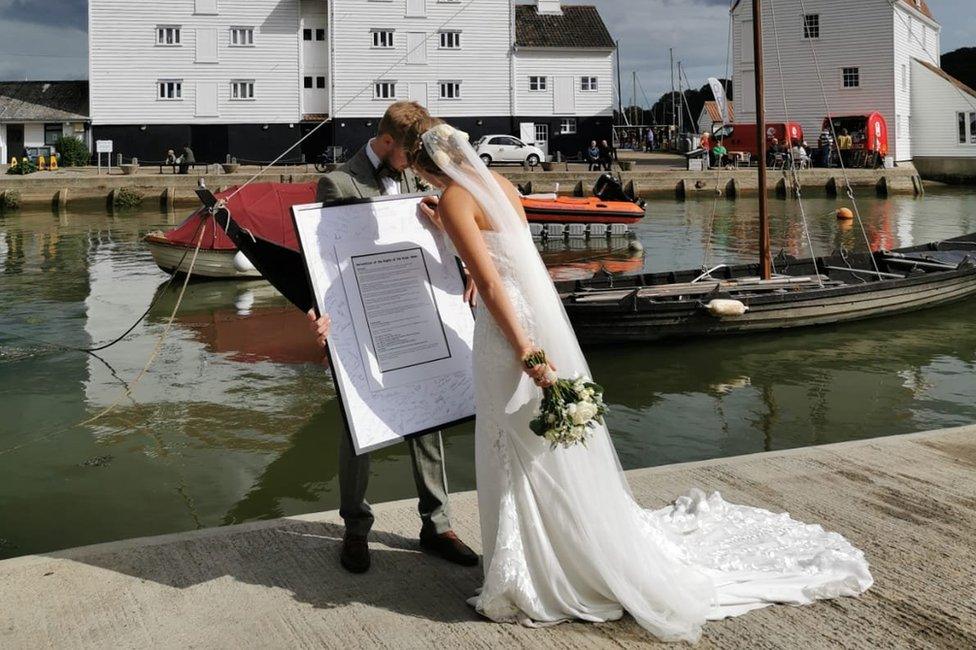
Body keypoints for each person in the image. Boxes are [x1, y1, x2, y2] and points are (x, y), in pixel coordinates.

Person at [402, 115, 873, 643]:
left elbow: (489, 281)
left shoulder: (452, 200)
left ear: (427, 167)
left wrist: (525, 350)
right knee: (535, 443)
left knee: (512, 441)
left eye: (422, 175)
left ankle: (537, 570)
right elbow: (506, 252)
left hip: (507, 333)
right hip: (532, 315)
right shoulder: (502, 187)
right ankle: (551, 551)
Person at [307, 101, 479, 574]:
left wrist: (461, 269)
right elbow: (325, 259)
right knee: (356, 428)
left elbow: (434, 239)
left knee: (429, 414)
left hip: (415, 310)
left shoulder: (410, 178)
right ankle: (355, 529)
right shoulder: (337, 183)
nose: (418, 163)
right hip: (360, 320)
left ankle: (437, 525)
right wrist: (320, 316)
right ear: (387, 142)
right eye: (411, 153)